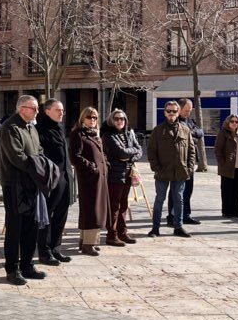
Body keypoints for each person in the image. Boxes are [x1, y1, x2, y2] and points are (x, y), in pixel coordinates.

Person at [0, 95, 45, 285]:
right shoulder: (11, 127)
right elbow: (17, 157)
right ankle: (12, 269)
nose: (36, 111)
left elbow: (39, 151)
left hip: (31, 184)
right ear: (21, 108)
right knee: (15, 228)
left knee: (30, 226)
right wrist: (38, 168)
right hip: (14, 185)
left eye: (37, 108)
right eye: (33, 108)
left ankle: (27, 265)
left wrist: (40, 168)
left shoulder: (31, 127)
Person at [147, 99, 196, 238]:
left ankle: (178, 227)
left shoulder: (185, 130)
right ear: (164, 112)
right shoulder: (158, 130)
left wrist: (189, 168)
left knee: (179, 200)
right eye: (169, 111)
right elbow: (151, 151)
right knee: (159, 199)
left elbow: (192, 151)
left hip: (180, 172)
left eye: (174, 111)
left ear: (178, 112)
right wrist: (156, 168)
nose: (171, 114)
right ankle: (155, 228)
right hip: (163, 172)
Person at [68, 106, 111, 255]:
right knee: (91, 210)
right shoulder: (78, 134)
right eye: (89, 117)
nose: (92, 120)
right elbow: (75, 157)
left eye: (95, 118)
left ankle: (86, 241)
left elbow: (101, 153)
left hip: (100, 178)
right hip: (88, 179)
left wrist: (105, 164)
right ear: (82, 118)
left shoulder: (94, 135)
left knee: (97, 209)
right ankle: (88, 244)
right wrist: (92, 167)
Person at [35, 98, 72, 264]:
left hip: (65, 178)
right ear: (47, 111)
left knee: (61, 215)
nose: (61, 113)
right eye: (58, 110)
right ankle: (44, 251)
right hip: (50, 180)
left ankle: (56, 248)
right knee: (47, 216)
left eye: (62, 110)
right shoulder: (39, 130)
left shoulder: (60, 127)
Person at [100, 108, 142, 246]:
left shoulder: (129, 133)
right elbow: (120, 152)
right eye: (117, 118)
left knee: (124, 204)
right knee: (114, 206)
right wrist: (129, 154)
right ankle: (111, 235)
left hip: (128, 173)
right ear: (112, 120)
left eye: (122, 118)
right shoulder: (108, 135)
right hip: (115, 175)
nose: (120, 121)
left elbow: (139, 150)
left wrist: (129, 156)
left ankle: (122, 232)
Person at [166, 98, 204, 226]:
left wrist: (190, 132)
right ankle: (172, 216)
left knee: (188, 189)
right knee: (176, 191)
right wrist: (191, 133)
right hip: (178, 161)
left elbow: (200, 132)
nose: (189, 112)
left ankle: (185, 214)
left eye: (190, 110)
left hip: (190, 160)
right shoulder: (174, 121)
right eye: (187, 110)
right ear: (180, 109)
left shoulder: (189, 121)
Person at [215, 114, 238, 218]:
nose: (234, 123)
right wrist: (222, 163)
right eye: (232, 121)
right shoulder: (223, 133)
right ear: (228, 122)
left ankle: (236, 211)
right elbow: (218, 150)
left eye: (237, 122)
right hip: (228, 167)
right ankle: (226, 212)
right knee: (227, 191)